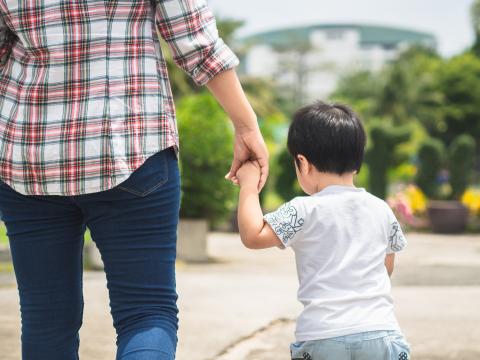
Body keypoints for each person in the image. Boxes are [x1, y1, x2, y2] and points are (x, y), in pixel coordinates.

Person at [0, 0, 267, 359]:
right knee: (146, 313)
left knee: (45, 321)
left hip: (29, 155)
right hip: (132, 145)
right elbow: (196, 41)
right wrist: (246, 125)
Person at [235, 101, 411, 360]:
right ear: (357, 160)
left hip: (323, 336)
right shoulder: (381, 209)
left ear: (303, 163)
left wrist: (249, 185)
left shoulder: (304, 210)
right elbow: (386, 266)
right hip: (381, 332)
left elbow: (253, 235)